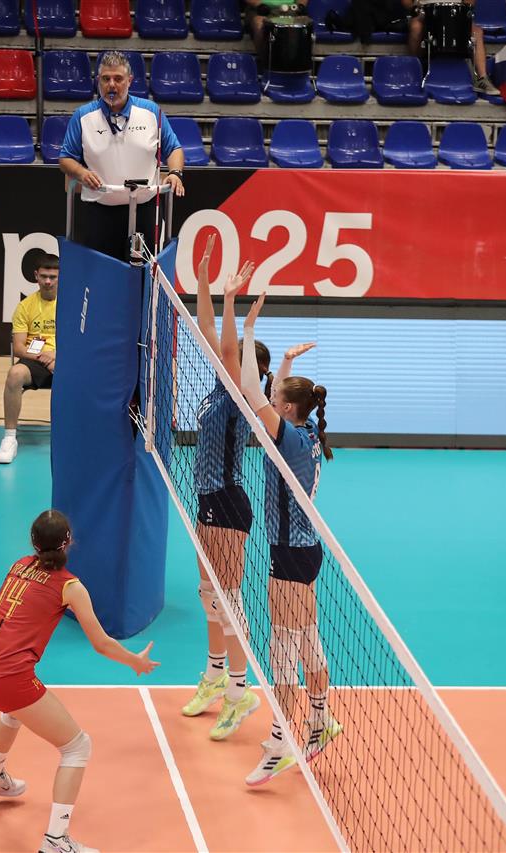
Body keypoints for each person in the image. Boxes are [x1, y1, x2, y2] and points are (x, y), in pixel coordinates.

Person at [0, 510, 159, 853]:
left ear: (33, 542)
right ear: (68, 542)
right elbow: (101, 643)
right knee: (77, 747)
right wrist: (135, 662)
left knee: (14, 709)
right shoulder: (71, 586)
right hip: (7, 677)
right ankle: (56, 840)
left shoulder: (18, 565)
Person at [238, 295, 342, 786]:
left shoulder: (290, 440)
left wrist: (250, 325)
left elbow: (249, 390)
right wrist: (284, 361)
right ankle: (320, 721)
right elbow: (273, 394)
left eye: (277, 397)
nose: (270, 397)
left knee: (283, 648)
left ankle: (281, 741)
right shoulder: (305, 434)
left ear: (286, 409)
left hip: (291, 554)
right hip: (304, 551)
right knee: (308, 640)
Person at [181, 236, 272, 742]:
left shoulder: (241, 397)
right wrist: (204, 280)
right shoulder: (220, 387)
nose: (223, 355)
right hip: (206, 499)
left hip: (228, 502)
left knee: (229, 599)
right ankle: (215, 674)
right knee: (208, 594)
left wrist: (232, 298)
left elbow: (229, 344)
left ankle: (240, 692)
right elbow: (208, 330)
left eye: (232, 358)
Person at [58, 51, 185, 264]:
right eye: (106, 79)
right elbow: (65, 158)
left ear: (130, 81)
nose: (112, 85)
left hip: (145, 210)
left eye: (118, 79)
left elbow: (174, 149)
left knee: (143, 274)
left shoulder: (151, 112)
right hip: (100, 212)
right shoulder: (82, 116)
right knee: (102, 274)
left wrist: (175, 173)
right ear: (98, 81)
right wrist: (81, 172)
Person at [0, 253, 58, 465]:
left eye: (53, 277)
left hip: (66, 358)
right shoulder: (25, 307)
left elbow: (81, 342)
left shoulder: (73, 305)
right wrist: (46, 358)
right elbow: (19, 348)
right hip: (36, 359)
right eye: (44, 276)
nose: (48, 281)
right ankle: (9, 438)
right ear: (36, 276)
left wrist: (58, 356)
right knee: (15, 374)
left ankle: (79, 433)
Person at [405, 0, 500, 95]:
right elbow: (406, 2)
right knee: (416, 28)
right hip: (425, 14)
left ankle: (482, 78)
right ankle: (414, 71)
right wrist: (416, 9)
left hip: (457, 14)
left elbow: (470, 3)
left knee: (477, 32)